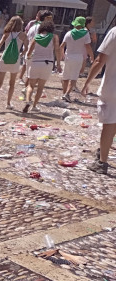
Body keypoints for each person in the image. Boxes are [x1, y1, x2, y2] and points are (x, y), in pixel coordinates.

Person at [82, 26, 116, 175]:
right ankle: (103, 149)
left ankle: (102, 162)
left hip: (113, 86)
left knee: (109, 122)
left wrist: (87, 82)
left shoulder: (114, 31)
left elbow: (99, 60)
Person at [0, 16, 28, 112]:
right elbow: (26, 48)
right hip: (15, 60)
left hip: (4, 59)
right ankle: (8, 103)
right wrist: (20, 54)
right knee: (12, 83)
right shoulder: (23, 35)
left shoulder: (6, 33)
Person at [23, 21, 61, 113]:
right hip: (48, 63)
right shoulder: (54, 37)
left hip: (35, 62)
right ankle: (34, 106)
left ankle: (28, 101)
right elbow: (57, 50)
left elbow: (29, 52)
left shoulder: (36, 37)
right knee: (40, 87)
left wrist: (28, 57)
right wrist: (58, 64)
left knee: (31, 85)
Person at [60, 16, 93, 102]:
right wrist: (92, 56)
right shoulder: (86, 34)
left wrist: (62, 55)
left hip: (68, 56)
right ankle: (67, 94)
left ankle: (64, 94)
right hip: (78, 57)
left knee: (65, 77)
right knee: (74, 78)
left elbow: (62, 46)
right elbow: (88, 47)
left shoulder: (69, 33)